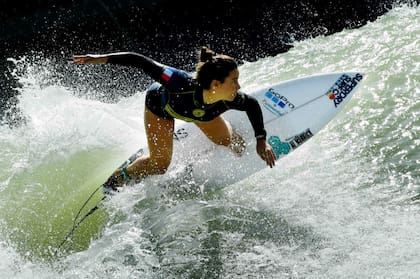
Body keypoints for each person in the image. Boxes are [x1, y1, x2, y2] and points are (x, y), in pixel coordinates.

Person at [71, 47, 276, 191]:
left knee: (230, 141)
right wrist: (101, 58)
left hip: (203, 112)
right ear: (215, 83)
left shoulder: (230, 97)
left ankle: (229, 134)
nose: (238, 87)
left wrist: (261, 140)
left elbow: (251, 104)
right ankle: (120, 176)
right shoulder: (178, 82)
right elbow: (140, 61)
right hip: (161, 109)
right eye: (234, 81)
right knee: (159, 165)